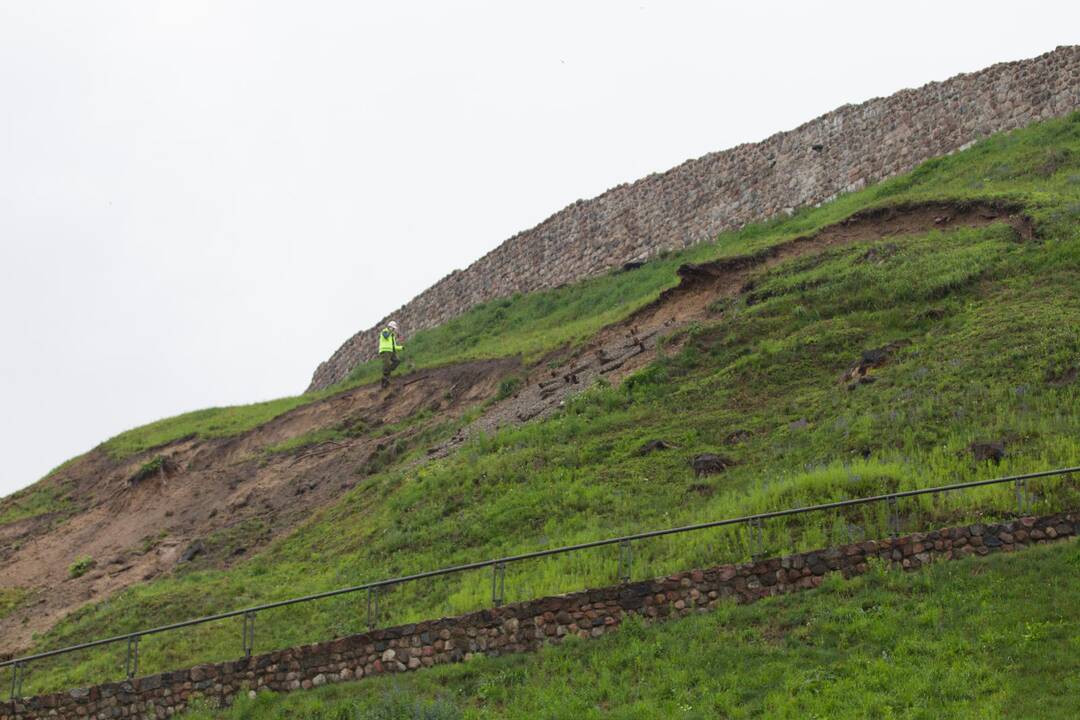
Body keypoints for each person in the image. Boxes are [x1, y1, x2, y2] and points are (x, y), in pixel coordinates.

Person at [378, 320, 404, 388]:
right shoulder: (385, 331)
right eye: (393, 328)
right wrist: (391, 330)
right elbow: (385, 336)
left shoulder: (392, 335)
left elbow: (394, 346)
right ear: (390, 327)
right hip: (385, 350)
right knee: (386, 364)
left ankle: (387, 373)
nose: (394, 330)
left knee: (397, 361)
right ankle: (385, 379)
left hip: (391, 351)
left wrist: (401, 348)